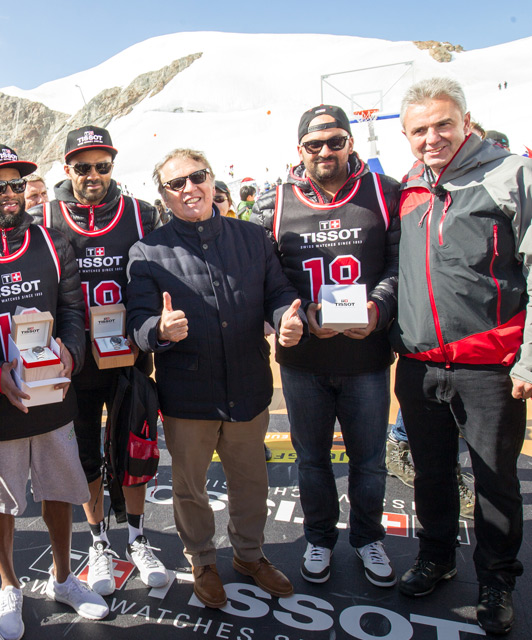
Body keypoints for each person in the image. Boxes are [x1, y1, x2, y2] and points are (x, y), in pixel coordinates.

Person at [126, 148, 306, 608]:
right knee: (189, 487)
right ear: (163, 196)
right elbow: (139, 325)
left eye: (197, 176)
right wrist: (159, 332)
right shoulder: (147, 251)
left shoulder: (253, 237)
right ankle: (202, 560)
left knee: (251, 482)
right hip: (189, 394)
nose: (189, 188)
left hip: (248, 386)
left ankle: (249, 555)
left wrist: (284, 314)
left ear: (212, 179)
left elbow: (278, 291)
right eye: (176, 183)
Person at [0, 144, 107, 639]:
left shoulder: (53, 241)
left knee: (59, 489)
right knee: (1, 500)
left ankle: (63, 576)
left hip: (51, 391)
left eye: (18, 184)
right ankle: (9, 584)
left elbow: (74, 313)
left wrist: (72, 356)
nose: (12, 194)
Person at [393, 77, 532, 635]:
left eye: (443, 124)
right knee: (430, 471)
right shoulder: (407, 186)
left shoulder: (510, 174)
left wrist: (527, 360)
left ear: (466, 121)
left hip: (490, 367)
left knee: (495, 478)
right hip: (421, 363)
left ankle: (497, 579)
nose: (432, 137)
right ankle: (437, 555)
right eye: (419, 130)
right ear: (405, 135)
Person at [252, 104, 401, 587]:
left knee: (370, 460)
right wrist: (289, 314)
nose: (325, 152)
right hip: (304, 360)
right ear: (300, 150)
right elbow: (266, 277)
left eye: (335, 141)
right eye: (314, 145)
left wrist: (378, 307)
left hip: (366, 358)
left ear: (350, 143)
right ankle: (318, 537)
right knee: (312, 458)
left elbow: (402, 266)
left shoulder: (385, 192)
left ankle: (367, 537)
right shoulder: (276, 201)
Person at [31, 125, 167, 597]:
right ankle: (98, 542)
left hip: (127, 353)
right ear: (67, 168)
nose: (93, 175)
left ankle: (137, 535)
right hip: (76, 360)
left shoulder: (141, 213)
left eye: (102, 165)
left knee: (134, 449)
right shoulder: (44, 217)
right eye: (83, 166)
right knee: (86, 454)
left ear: (113, 165)